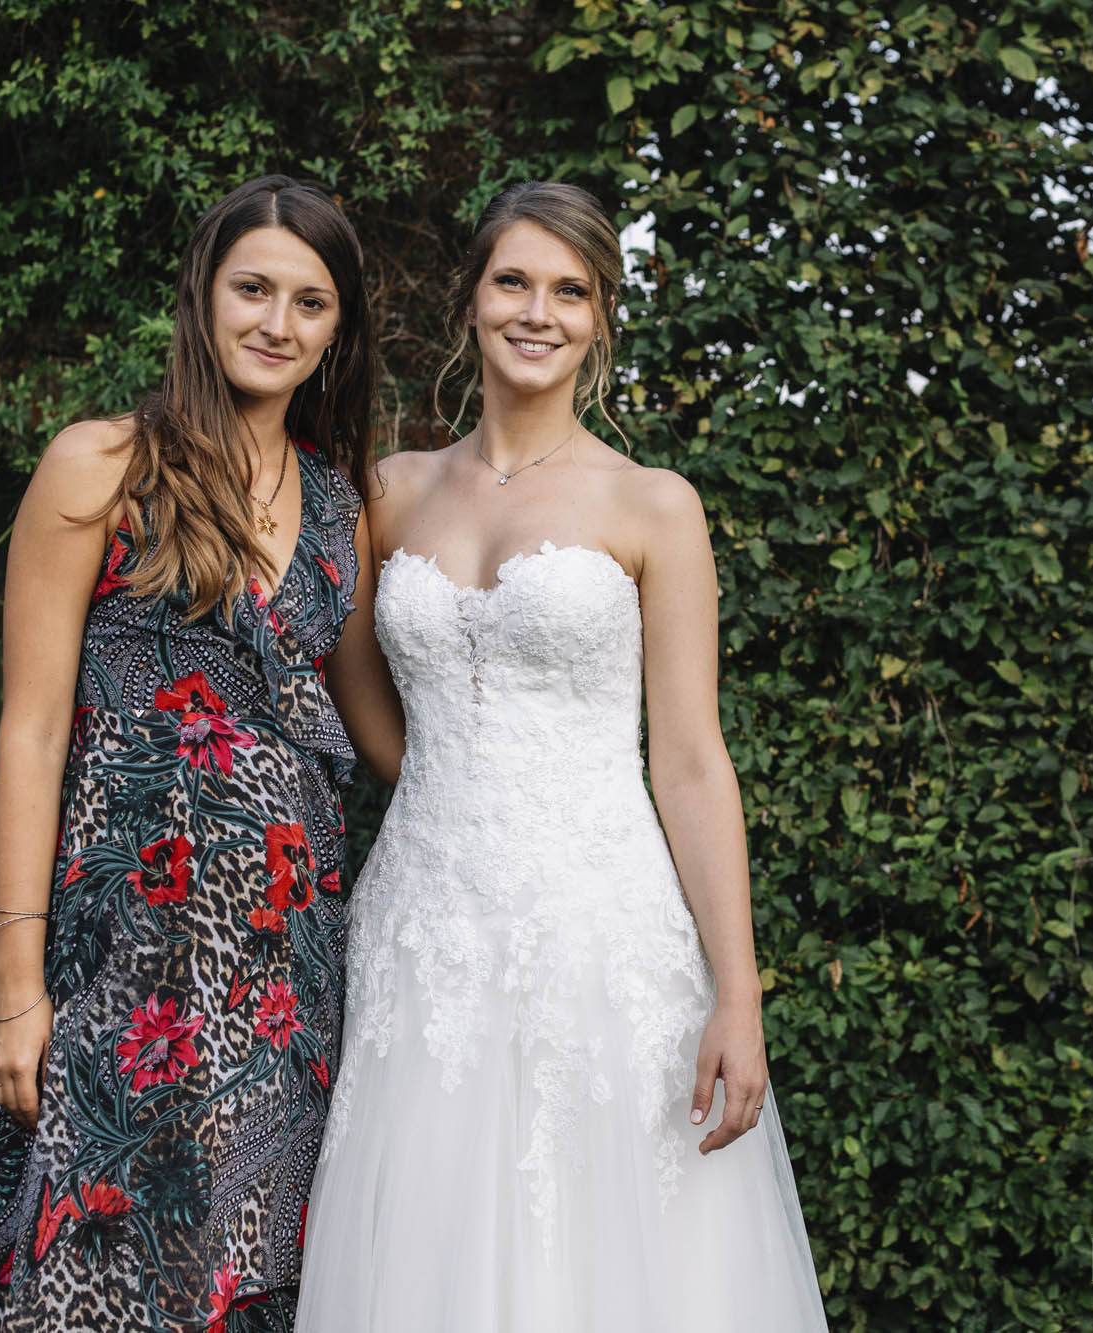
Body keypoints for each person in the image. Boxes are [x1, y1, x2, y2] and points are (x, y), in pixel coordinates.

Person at [297, 180, 828, 1331]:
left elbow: (687, 761)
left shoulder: (653, 505)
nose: (537, 311)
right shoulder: (386, 491)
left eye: (568, 290)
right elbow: (355, 685)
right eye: (513, 281)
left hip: (601, 929)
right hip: (424, 931)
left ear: (599, 320)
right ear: (472, 299)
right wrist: (446, 794)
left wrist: (738, 992)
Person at [0, 175, 375, 1333]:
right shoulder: (101, 466)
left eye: (309, 302)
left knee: (245, 1280)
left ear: (338, 331)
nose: (275, 324)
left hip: (286, 980)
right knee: (86, 1274)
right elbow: (31, 732)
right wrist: (14, 985)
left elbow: (379, 732)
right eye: (252, 288)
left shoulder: (343, 509)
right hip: (118, 961)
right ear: (201, 292)